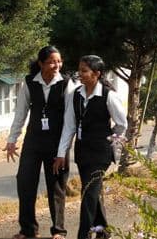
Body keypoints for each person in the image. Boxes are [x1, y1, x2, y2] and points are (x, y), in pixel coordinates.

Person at [6, 46, 78, 239]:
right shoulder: (29, 82)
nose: (57, 65)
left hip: (57, 143)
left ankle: (59, 231)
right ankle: (28, 229)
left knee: (56, 185)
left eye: (59, 61)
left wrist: (63, 151)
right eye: (52, 62)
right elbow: (20, 114)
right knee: (25, 181)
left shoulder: (67, 83)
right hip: (33, 141)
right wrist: (12, 140)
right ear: (41, 63)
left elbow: (70, 119)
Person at [54, 55, 128, 239]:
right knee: (94, 193)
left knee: (88, 194)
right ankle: (103, 232)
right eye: (79, 70)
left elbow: (122, 124)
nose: (80, 74)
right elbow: (69, 126)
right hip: (82, 153)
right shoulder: (75, 95)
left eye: (84, 71)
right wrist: (61, 152)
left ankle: (83, 235)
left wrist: (109, 141)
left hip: (100, 154)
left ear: (97, 74)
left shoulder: (109, 96)